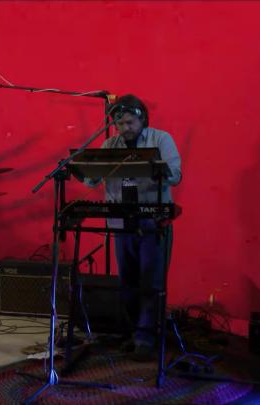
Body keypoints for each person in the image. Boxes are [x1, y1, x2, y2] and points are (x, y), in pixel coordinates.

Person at [84, 94, 181, 361]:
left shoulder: (161, 139)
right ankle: (132, 332)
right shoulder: (110, 144)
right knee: (127, 280)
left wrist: (148, 167)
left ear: (143, 119)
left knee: (151, 280)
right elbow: (91, 181)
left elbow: (175, 175)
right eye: (120, 124)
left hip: (152, 219)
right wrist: (84, 167)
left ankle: (146, 337)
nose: (125, 128)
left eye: (130, 123)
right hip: (121, 219)